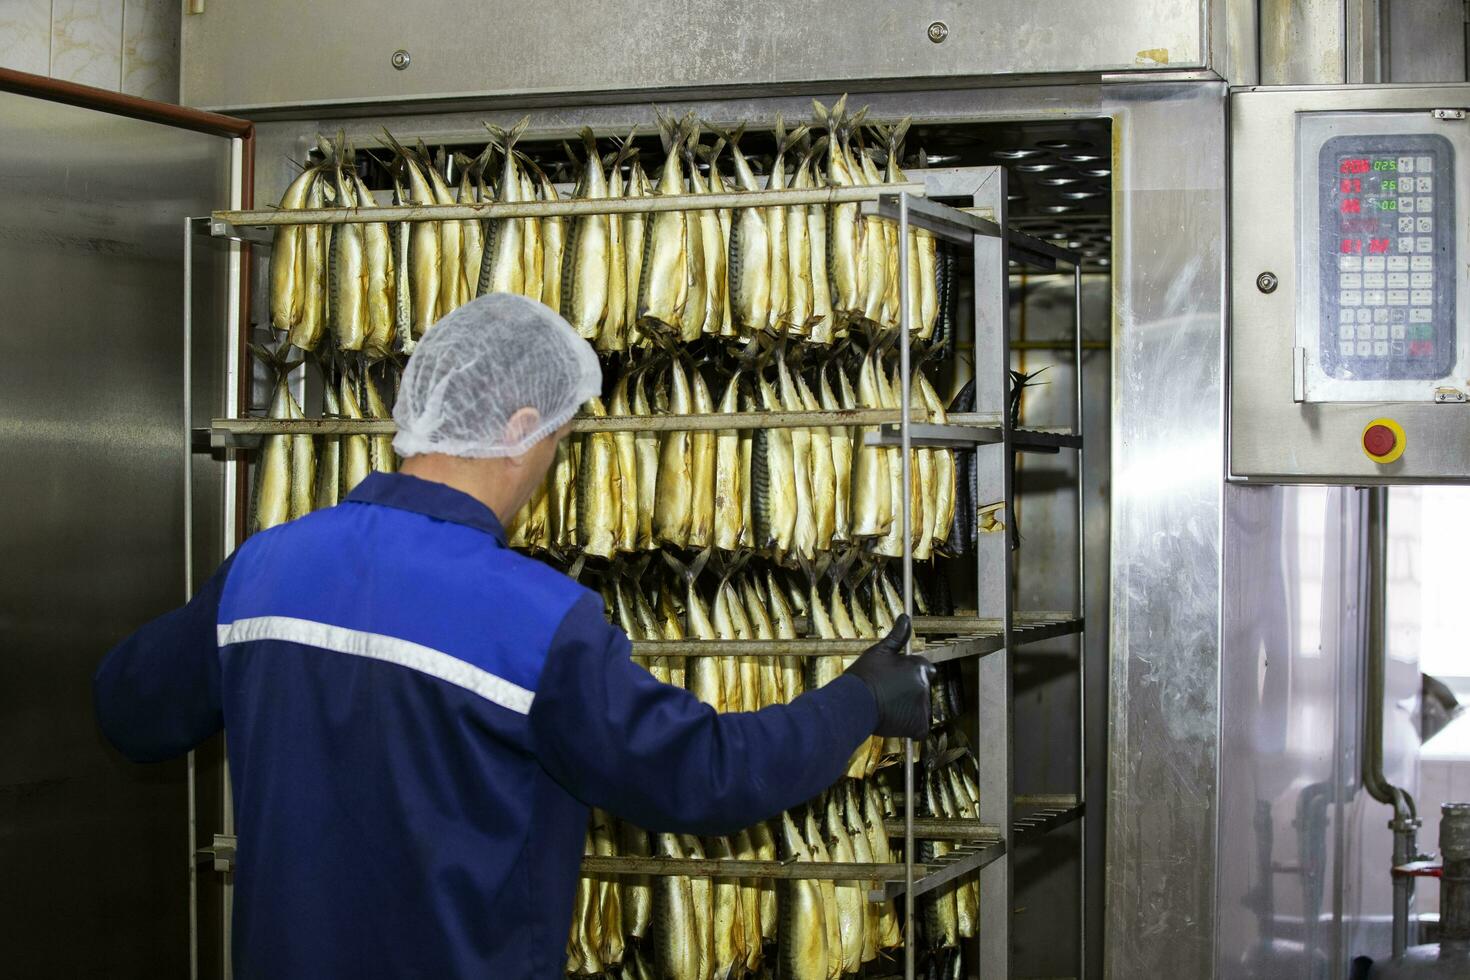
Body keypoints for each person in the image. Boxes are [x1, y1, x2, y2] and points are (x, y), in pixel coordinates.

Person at [93, 293, 934, 979]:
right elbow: (706, 778)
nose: (551, 464)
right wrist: (859, 701)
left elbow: (128, 711)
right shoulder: (535, 620)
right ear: (518, 427)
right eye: (559, 441)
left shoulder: (266, 571)